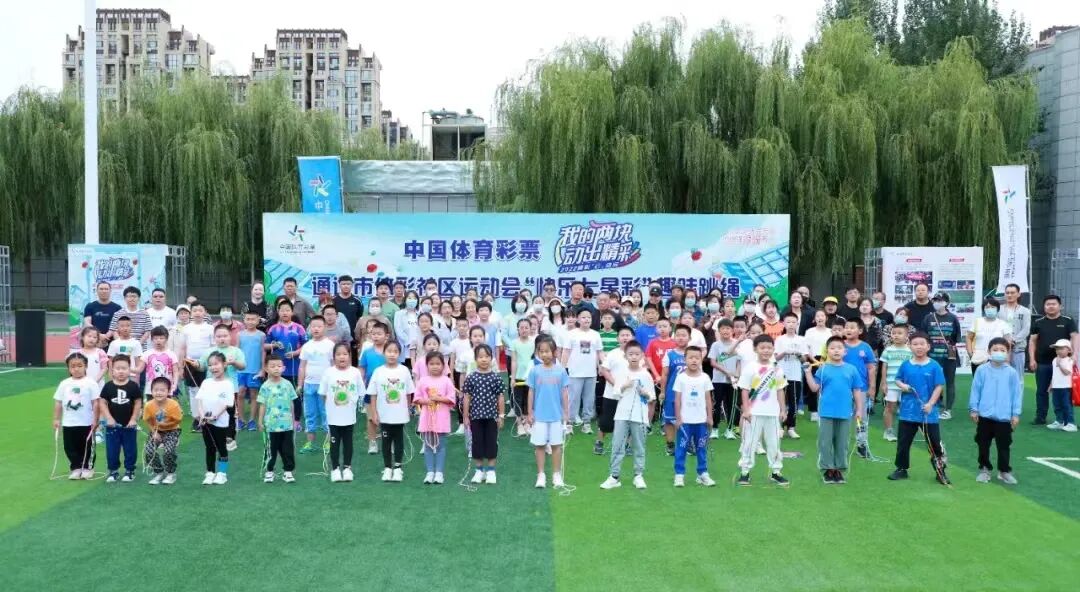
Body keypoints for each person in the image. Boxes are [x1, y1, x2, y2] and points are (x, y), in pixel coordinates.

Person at [803, 336, 865, 484]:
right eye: (832, 348)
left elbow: (857, 390)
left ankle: (838, 469)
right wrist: (807, 373)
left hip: (845, 412)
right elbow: (814, 388)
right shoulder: (823, 369)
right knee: (825, 442)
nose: (836, 351)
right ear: (827, 351)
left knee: (842, 443)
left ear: (845, 351)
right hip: (826, 412)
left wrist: (859, 409)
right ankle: (828, 469)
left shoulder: (851, 369)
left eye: (839, 348)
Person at [890, 332, 950, 485]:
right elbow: (897, 379)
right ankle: (901, 469)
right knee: (903, 443)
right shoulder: (906, 365)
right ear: (910, 346)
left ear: (928, 346)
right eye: (915, 344)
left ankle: (940, 471)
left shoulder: (934, 366)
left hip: (928, 413)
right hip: (907, 412)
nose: (919, 347)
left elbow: (939, 386)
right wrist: (903, 386)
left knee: (934, 443)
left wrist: (930, 404)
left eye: (922, 344)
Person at [736, 335, 789, 487]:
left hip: (772, 413)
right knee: (749, 443)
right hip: (754, 413)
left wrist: (782, 410)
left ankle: (776, 472)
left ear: (773, 349)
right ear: (755, 349)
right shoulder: (750, 367)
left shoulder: (777, 368)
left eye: (769, 348)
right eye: (762, 347)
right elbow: (744, 390)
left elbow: (780, 390)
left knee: (774, 444)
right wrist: (746, 410)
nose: (766, 351)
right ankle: (745, 472)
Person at [600, 341, 654, 490]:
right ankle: (614, 476)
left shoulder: (646, 375)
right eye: (631, 354)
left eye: (637, 354)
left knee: (639, 446)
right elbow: (616, 394)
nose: (634, 357)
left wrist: (645, 393)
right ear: (626, 356)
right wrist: (624, 386)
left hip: (640, 416)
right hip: (622, 415)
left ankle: (638, 475)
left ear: (642, 356)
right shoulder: (622, 374)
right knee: (617, 445)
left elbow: (652, 397)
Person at [969, 338, 1022, 484]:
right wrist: (974, 409)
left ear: (1008, 353)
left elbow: (1016, 394)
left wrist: (1015, 414)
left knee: (1004, 445)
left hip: (1004, 416)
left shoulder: (1011, 372)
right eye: (995, 349)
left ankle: (1004, 471)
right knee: (983, 443)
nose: (999, 352)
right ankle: (984, 469)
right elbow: (975, 390)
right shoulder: (982, 370)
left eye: (1002, 350)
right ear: (989, 351)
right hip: (984, 415)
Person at [367, 341, 414, 482]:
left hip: (399, 414)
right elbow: (373, 394)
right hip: (384, 414)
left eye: (395, 352)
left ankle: (398, 468)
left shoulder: (404, 370)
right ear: (384, 353)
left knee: (399, 440)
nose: (392, 354)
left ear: (399, 354)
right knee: (386, 441)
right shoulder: (378, 371)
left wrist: (408, 408)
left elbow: (408, 392)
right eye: (389, 351)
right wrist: (374, 412)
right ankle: (387, 468)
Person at [1028, 294, 1079, 426]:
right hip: (1043, 362)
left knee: (1065, 392)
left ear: (1060, 306)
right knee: (1042, 391)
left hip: (1064, 363)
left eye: (1054, 304)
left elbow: (1075, 337)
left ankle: (1068, 420)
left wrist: (1075, 355)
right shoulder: (1038, 322)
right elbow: (1032, 341)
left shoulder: (1068, 320)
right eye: (1048, 304)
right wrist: (1032, 359)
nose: (1051, 306)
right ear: (1044, 307)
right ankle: (1041, 417)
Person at [527, 337, 570, 489]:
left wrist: (566, 412)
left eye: (547, 351)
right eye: (541, 351)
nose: (544, 354)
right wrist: (530, 412)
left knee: (556, 445)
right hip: (539, 416)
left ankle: (556, 474)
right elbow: (531, 392)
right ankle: (541, 475)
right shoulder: (535, 371)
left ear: (554, 352)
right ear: (538, 353)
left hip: (556, 416)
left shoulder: (561, 371)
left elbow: (565, 393)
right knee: (539, 446)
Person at [319, 343, 364, 482]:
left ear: (350, 356)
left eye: (345, 354)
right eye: (338, 354)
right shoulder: (328, 372)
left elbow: (361, 392)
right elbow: (323, 394)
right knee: (334, 443)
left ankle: (347, 468)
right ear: (333, 357)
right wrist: (330, 408)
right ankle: (335, 469)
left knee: (348, 442)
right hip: (333, 417)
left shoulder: (355, 372)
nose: (341, 357)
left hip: (349, 416)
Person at [198, 324, 247, 451]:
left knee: (230, 413)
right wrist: (194, 364)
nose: (222, 339)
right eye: (219, 336)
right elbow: (202, 366)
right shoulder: (209, 352)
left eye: (225, 336)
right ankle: (214, 435)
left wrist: (234, 362)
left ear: (230, 336)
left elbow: (243, 366)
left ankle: (230, 437)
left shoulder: (236, 351)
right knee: (213, 411)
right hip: (212, 389)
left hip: (231, 388)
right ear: (214, 338)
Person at [671, 346, 715, 487]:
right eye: (691, 357)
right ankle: (679, 474)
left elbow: (708, 399)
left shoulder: (705, 377)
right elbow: (677, 400)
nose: (694, 360)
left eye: (697, 357)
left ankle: (702, 473)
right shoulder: (681, 378)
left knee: (701, 448)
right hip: (685, 421)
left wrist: (710, 417)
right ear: (685, 359)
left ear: (701, 359)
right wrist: (678, 418)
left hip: (701, 421)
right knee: (681, 448)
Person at [53, 353, 101, 480]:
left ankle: (88, 467)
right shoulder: (64, 384)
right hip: (69, 422)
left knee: (87, 446)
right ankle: (76, 467)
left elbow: (96, 402)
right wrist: (56, 418)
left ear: (86, 366)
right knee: (70, 447)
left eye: (80, 366)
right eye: (73, 366)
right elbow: (58, 402)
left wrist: (96, 419)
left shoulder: (91, 383)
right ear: (68, 368)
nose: (76, 369)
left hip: (86, 422)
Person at [98, 354, 142, 483]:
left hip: (129, 426)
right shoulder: (108, 386)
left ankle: (130, 470)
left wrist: (133, 419)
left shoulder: (133, 386)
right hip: (112, 426)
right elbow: (102, 402)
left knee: (130, 449)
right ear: (112, 370)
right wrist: (108, 418)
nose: (121, 371)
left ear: (129, 369)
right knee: (112, 450)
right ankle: (113, 471)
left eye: (124, 368)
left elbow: (138, 403)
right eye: (118, 368)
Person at [463, 345, 503, 485]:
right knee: (477, 443)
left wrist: (501, 415)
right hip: (476, 417)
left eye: (486, 356)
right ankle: (479, 470)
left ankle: (491, 471)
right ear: (475, 359)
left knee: (492, 443)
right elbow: (467, 397)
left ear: (491, 358)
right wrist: (466, 416)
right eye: (480, 357)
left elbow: (500, 397)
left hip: (492, 417)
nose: (484, 359)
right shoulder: (471, 377)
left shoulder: (496, 377)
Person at [414, 351, 455, 485]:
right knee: (428, 446)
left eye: (438, 364)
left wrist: (439, 398)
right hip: (427, 420)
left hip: (441, 420)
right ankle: (430, 472)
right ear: (427, 366)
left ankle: (439, 472)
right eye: (431, 364)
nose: (435, 366)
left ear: (443, 366)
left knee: (440, 446)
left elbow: (451, 399)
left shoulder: (446, 381)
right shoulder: (422, 381)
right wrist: (426, 401)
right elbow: (417, 399)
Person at [265, 300, 307, 428]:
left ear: (292, 312)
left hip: (295, 367)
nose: (285, 313)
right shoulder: (273, 329)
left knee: (296, 395)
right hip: (277, 369)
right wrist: (274, 345)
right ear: (278, 312)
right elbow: (265, 345)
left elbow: (306, 346)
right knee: (279, 394)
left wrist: (295, 353)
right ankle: (280, 418)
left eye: (287, 310)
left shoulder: (299, 328)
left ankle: (296, 421)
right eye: (282, 310)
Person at [257, 356, 298, 484]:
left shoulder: (288, 384)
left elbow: (291, 403)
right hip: (271, 425)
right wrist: (260, 421)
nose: (276, 368)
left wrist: (294, 420)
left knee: (288, 449)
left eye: (279, 366)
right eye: (273, 366)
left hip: (286, 425)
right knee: (271, 450)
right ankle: (269, 471)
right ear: (266, 369)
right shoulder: (265, 386)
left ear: (283, 368)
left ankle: (288, 471)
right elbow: (262, 405)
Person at [297, 316, 335, 455]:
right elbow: (302, 366)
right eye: (313, 326)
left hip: (325, 386)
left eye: (319, 326)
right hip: (309, 385)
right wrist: (300, 384)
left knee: (326, 413)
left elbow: (334, 365)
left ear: (324, 328)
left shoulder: (330, 345)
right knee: (310, 414)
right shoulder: (307, 346)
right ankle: (310, 442)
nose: (316, 329)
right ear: (310, 328)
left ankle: (328, 442)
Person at [562, 309, 603, 433]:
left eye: (589, 317)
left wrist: (601, 366)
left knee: (589, 399)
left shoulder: (595, 334)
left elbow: (599, 352)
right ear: (578, 319)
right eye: (584, 317)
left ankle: (586, 423)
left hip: (591, 373)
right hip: (575, 373)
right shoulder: (571, 334)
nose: (587, 319)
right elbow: (566, 352)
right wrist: (563, 369)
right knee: (573, 399)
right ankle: (569, 423)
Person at [921, 292, 961, 420]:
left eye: (940, 300)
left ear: (946, 302)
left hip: (949, 356)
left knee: (950, 382)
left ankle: (948, 410)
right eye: (935, 300)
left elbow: (956, 338)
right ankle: (933, 406)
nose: (937, 303)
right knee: (931, 382)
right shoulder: (928, 318)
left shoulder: (953, 318)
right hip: (932, 356)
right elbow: (923, 336)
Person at [196, 352, 234, 486]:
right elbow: (200, 400)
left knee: (221, 447)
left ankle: (222, 474)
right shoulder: (206, 382)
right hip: (206, 422)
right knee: (209, 447)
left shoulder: (228, 384)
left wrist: (215, 416)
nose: (213, 367)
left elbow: (227, 404)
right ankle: (210, 472)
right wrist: (202, 415)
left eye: (216, 364)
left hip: (220, 422)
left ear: (224, 364)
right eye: (210, 365)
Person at [596, 327, 635, 454]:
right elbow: (604, 370)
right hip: (611, 394)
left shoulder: (638, 354)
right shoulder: (613, 354)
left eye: (628, 335)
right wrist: (616, 385)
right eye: (622, 335)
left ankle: (628, 445)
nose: (625, 337)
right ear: (617, 338)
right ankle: (599, 443)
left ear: (633, 338)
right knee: (606, 421)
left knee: (629, 420)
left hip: (630, 394)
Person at [843, 319, 877, 458]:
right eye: (846, 327)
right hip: (843, 388)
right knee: (843, 416)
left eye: (852, 327)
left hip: (861, 388)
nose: (848, 330)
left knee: (861, 418)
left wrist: (872, 386)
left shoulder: (865, 347)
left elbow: (871, 368)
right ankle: (841, 444)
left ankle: (861, 445)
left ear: (860, 331)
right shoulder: (840, 346)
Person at [775, 312, 811, 439]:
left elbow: (805, 359)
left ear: (797, 324)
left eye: (793, 322)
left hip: (795, 375)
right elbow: (775, 357)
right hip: (781, 375)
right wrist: (785, 352)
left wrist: (798, 354)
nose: (791, 324)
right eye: (788, 322)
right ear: (783, 324)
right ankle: (780, 427)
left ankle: (791, 427)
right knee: (780, 402)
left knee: (794, 402)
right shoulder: (780, 339)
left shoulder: (801, 339)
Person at [181, 301, 215, 432]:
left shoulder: (210, 328)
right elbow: (183, 348)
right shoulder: (186, 328)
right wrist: (181, 365)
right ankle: (197, 418)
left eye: (200, 310)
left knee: (207, 389)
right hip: (190, 363)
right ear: (191, 313)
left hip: (206, 363)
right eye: (195, 310)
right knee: (193, 390)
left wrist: (212, 363)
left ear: (205, 312)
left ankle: (207, 416)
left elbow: (213, 347)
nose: (197, 313)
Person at [142, 377, 182, 485]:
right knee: (149, 451)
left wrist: (165, 423)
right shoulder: (148, 405)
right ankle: (158, 472)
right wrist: (154, 432)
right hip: (156, 430)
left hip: (172, 430)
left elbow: (178, 420)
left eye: (162, 390)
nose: (159, 393)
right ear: (151, 391)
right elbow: (147, 420)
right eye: (156, 390)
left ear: (168, 392)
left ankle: (170, 473)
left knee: (168, 451)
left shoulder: (173, 404)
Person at [358, 321, 390, 453]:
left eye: (379, 334)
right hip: (370, 390)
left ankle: (389, 442)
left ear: (386, 336)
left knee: (388, 418)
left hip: (388, 390)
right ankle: (372, 442)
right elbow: (362, 369)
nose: (376, 336)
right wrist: (361, 386)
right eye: (373, 334)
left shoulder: (390, 351)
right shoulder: (367, 352)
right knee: (371, 418)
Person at [659, 324, 690, 456]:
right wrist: (662, 391)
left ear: (689, 338)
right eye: (678, 335)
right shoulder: (669, 354)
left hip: (689, 394)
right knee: (670, 420)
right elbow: (665, 374)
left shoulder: (694, 354)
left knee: (689, 419)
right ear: (674, 337)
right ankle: (670, 444)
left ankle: (687, 444)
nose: (681, 338)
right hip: (672, 393)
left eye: (684, 335)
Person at [879, 324, 913, 442]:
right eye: (893, 333)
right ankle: (888, 431)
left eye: (899, 333)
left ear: (907, 336)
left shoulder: (910, 350)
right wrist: (883, 383)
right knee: (890, 408)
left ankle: (905, 433)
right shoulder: (888, 350)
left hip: (905, 385)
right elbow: (884, 367)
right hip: (891, 385)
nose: (896, 335)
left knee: (906, 409)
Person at [708, 319, 740, 439]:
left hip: (733, 381)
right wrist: (727, 372)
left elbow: (739, 361)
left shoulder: (737, 343)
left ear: (732, 330)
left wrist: (736, 375)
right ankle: (715, 429)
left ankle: (729, 430)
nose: (725, 331)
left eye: (728, 328)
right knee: (717, 404)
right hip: (718, 380)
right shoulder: (716, 345)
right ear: (719, 330)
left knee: (732, 405)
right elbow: (713, 362)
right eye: (723, 328)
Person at [236, 311, 266, 431]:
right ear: (244, 320)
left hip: (255, 370)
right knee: (240, 393)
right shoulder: (239, 334)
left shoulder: (261, 335)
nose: (250, 322)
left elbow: (263, 352)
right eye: (248, 319)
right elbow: (236, 351)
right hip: (241, 369)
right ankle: (241, 419)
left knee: (254, 394)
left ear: (258, 320)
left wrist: (262, 369)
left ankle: (252, 420)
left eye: (253, 319)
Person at [966, 297, 1012, 373]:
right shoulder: (977, 322)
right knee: (979, 379)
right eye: (987, 307)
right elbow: (968, 338)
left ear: (997, 309)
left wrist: (1007, 358)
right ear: (983, 309)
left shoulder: (1003, 324)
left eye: (993, 307)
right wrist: (970, 353)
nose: (990, 309)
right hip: (978, 359)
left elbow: (1008, 342)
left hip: (997, 358)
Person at [508, 318, 536, 436]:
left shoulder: (534, 342)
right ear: (518, 329)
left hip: (531, 377)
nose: (524, 330)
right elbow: (514, 361)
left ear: (530, 329)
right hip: (519, 377)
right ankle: (519, 423)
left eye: (526, 327)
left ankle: (527, 422)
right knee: (518, 400)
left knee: (528, 400)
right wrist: (513, 378)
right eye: (521, 328)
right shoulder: (514, 343)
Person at [1001, 283, 1031, 379]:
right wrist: (1003, 342)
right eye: (1007, 293)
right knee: (1002, 377)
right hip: (1000, 349)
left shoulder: (1025, 311)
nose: (1009, 295)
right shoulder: (999, 310)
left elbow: (1026, 329)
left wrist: (1014, 340)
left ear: (1018, 294)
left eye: (1012, 293)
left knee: (1017, 378)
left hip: (1018, 349)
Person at [1049, 339, 1077, 431]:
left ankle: (1071, 423)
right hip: (1056, 387)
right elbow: (1054, 374)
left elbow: (1066, 372)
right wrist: (1051, 385)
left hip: (1066, 387)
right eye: (1057, 349)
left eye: (1061, 348)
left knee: (1066, 405)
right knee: (1057, 405)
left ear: (1068, 350)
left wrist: (1060, 364)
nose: (1059, 351)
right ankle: (1059, 421)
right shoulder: (1054, 360)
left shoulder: (1069, 360)